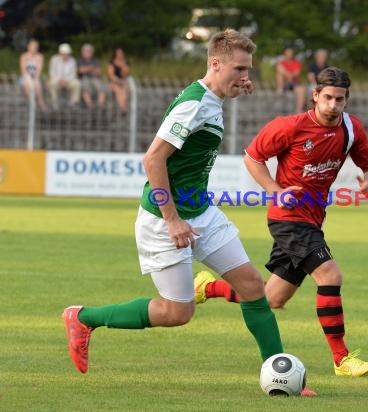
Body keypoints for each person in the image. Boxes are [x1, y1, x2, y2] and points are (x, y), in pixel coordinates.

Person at [62, 30, 302, 392]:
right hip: (165, 219)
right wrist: (172, 219)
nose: (245, 76)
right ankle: (83, 318)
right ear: (215, 63)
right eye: (239, 69)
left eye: (248, 69)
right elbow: (153, 158)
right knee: (178, 313)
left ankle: (280, 374)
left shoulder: (211, 98)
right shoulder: (194, 103)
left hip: (201, 213)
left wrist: (236, 87)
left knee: (254, 287)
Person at [194, 66, 368, 377]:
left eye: (339, 99)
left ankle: (209, 288)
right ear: (315, 96)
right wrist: (275, 191)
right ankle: (342, 359)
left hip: (313, 218)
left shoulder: (351, 129)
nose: (333, 105)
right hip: (289, 219)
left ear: (347, 100)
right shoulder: (290, 127)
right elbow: (253, 157)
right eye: (327, 98)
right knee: (330, 276)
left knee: (272, 299)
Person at [48, 43, 81, 110]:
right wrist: (59, 80)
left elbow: (73, 74)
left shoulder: (72, 61)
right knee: (51, 83)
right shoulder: (54, 59)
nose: (66, 55)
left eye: (67, 54)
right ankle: (54, 103)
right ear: (60, 53)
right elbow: (52, 72)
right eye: (64, 54)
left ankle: (74, 103)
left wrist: (66, 81)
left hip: (68, 82)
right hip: (57, 81)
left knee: (77, 83)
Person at [19, 38, 48, 111]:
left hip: (35, 77)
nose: (34, 48)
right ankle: (33, 103)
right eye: (33, 46)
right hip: (25, 77)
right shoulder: (24, 56)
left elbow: (39, 70)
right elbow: (23, 70)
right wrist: (30, 80)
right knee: (27, 84)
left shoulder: (40, 56)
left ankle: (41, 103)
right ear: (28, 46)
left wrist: (35, 79)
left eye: (36, 46)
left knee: (37, 84)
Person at [275, 47, 305, 113]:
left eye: (290, 53)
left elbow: (297, 73)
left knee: (302, 89)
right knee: (279, 75)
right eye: (288, 53)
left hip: (294, 83)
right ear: (284, 54)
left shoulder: (297, 63)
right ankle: (280, 90)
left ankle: (299, 109)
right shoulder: (281, 63)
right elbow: (279, 69)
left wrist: (288, 76)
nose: (289, 54)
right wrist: (289, 75)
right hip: (284, 83)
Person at [78, 43, 106, 109]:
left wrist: (87, 69)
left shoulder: (96, 60)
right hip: (84, 78)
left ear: (92, 52)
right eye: (85, 51)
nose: (87, 53)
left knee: (102, 87)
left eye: (89, 51)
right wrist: (91, 68)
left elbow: (98, 72)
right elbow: (80, 71)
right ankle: (90, 106)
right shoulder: (80, 60)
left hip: (95, 78)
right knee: (85, 87)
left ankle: (100, 106)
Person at [107, 47, 130, 114]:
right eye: (118, 53)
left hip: (122, 81)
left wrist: (123, 67)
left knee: (124, 89)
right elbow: (110, 75)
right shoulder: (111, 62)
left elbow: (124, 75)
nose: (119, 54)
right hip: (113, 81)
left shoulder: (126, 62)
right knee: (117, 88)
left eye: (121, 53)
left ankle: (123, 107)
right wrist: (118, 81)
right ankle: (123, 108)